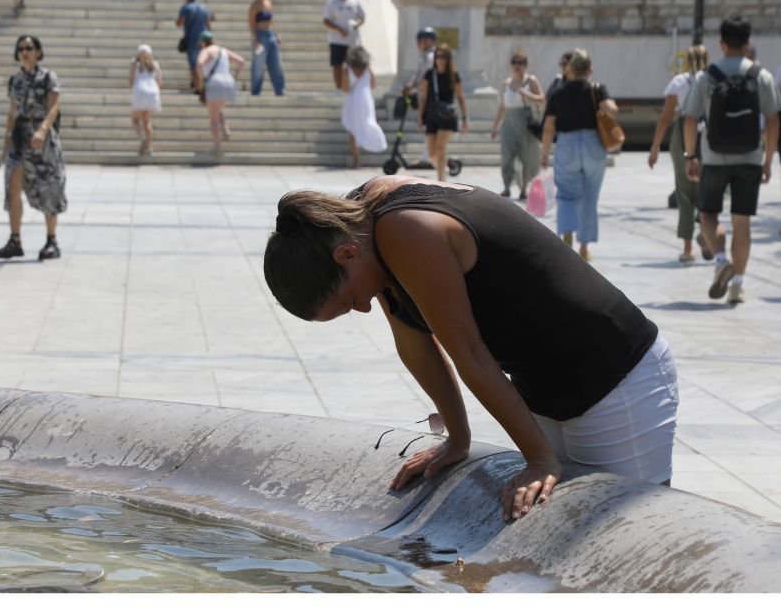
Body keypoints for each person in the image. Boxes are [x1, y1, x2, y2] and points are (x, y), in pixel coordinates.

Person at [263, 175, 679, 522]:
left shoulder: (403, 229)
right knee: (564, 532)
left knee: (629, 529)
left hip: (616, 378)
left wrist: (538, 460)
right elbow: (415, 344)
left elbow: (469, 352)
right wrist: (457, 439)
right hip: (548, 387)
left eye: (351, 300)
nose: (365, 306)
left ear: (346, 253)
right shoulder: (363, 230)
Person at [682, 17, 780, 304]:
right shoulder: (761, 76)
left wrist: (690, 155)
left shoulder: (706, 76)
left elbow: (689, 120)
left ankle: (721, 260)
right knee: (742, 222)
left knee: (708, 214)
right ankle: (737, 285)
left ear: (722, 44)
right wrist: (768, 160)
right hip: (750, 156)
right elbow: (774, 121)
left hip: (713, 157)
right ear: (747, 43)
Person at [647, 45, 723, 264]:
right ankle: (707, 238)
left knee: (685, 191)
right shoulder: (714, 80)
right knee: (707, 188)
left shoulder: (679, 82)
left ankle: (688, 248)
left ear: (687, 61)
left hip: (683, 135)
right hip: (710, 135)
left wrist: (655, 148)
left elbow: (665, 117)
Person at [540, 48, 617, 262]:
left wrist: (545, 153)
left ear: (570, 69)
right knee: (590, 197)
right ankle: (584, 247)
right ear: (590, 69)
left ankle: (566, 235)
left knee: (565, 194)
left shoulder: (558, 92)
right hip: (592, 144)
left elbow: (548, 127)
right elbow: (612, 109)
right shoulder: (597, 89)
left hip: (567, 144)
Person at [0, 36, 67, 261]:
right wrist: (5, 145)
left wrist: (43, 129)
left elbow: (54, 106)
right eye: (21, 48)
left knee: (49, 186)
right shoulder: (15, 80)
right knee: (12, 188)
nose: (24, 51)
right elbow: (11, 113)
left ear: (38, 52)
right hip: (20, 139)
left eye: (29, 48)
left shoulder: (48, 77)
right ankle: (15, 240)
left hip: (42, 140)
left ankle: (51, 240)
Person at [491, 51, 544, 200]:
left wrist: (525, 93)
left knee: (527, 157)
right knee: (507, 156)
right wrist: (495, 126)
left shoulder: (531, 80)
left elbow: (541, 98)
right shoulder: (506, 83)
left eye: (521, 63)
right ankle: (507, 186)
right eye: (515, 62)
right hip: (509, 122)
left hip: (525, 122)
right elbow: (502, 106)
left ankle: (524, 188)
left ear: (526, 65)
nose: (517, 66)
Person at [417, 44, 468, 182]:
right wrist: (420, 115)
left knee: (440, 148)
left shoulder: (453, 75)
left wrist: (464, 118)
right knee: (432, 153)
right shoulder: (429, 75)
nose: (440, 60)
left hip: (447, 115)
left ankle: (441, 182)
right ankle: (445, 166)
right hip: (432, 115)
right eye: (438, 56)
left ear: (448, 59)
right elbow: (423, 96)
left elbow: (460, 96)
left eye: (443, 57)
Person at [196, 31, 244, 156]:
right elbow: (241, 61)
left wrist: (202, 80)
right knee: (217, 109)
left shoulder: (205, 51)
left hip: (214, 82)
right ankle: (226, 128)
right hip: (229, 82)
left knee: (213, 119)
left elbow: (200, 64)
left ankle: (217, 148)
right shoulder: (223, 50)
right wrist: (235, 76)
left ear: (203, 42)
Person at [340, 46, 387, 168]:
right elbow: (373, 85)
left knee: (353, 130)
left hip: (354, 101)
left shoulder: (348, 69)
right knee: (364, 124)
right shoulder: (366, 68)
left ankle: (357, 159)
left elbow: (345, 89)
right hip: (365, 100)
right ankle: (361, 155)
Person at [402, 27, 437, 166]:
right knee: (428, 127)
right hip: (424, 94)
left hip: (429, 96)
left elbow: (426, 78)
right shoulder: (424, 56)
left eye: (421, 40)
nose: (418, 43)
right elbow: (417, 75)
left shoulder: (431, 57)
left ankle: (428, 157)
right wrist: (410, 86)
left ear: (427, 40)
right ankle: (427, 156)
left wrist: (415, 89)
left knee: (429, 126)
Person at [129, 44, 163, 157]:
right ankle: (149, 147)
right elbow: (159, 81)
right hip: (152, 91)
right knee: (147, 121)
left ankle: (142, 139)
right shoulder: (155, 64)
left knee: (135, 119)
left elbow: (131, 80)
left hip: (140, 90)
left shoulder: (134, 63)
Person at [323, 0, 364, 91]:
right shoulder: (331, 3)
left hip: (353, 41)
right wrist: (339, 29)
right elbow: (326, 21)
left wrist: (355, 25)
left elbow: (362, 17)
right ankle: (338, 87)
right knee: (337, 65)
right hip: (336, 41)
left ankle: (354, 86)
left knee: (354, 64)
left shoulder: (355, 2)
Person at [248, 0, 285, 96]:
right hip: (260, 36)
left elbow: (271, 21)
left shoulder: (268, 2)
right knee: (258, 66)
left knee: (276, 64)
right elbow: (251, 24)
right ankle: (256, 91)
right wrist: (255, 39)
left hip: (270, 35)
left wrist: (276, 34)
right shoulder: (254, 5)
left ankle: (279, 90)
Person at [176, 0, 212, 92]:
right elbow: (208, 24)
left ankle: (198, 88)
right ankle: (201, 84)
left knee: (194, 64)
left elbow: (179, 23)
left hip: (192, 39)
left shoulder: (186, 8)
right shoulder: (204, 8)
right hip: (204, 39)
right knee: (203, 62)